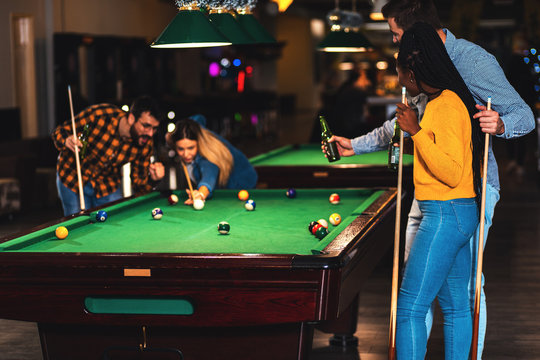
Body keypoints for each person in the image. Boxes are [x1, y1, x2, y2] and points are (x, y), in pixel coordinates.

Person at [324, 0, 536, 358]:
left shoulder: (471, 61)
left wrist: (500, 124)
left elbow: (524, 115)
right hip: (434, 194)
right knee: (424, 288)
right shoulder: (430, 83)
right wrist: (355, 146)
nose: (393, 43)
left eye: (395, 35)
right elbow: (405, 123)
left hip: (470, 186)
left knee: (449, 295)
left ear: (417, 37)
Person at [394, 22, 483, 358]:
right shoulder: (442, 100)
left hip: (445, 212)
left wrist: (416, 132)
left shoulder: (446, 105)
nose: (400, 80)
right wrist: (416, 127)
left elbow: (451, 171)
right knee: (457, 306)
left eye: (401, 72)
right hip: (456, 211)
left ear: (415, 73)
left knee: (410, 308)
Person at [52, 96, 165, 216]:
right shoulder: (100, 115)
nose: (150, 133)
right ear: (131, 118)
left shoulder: (145, 143)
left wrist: (153, 180)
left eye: (154, 129)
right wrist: (66, 140)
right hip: (72, 177)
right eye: (146, 126)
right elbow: (60, 131)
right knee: (76, 223)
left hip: (106, 184)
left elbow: (139, 186)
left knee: (117, 218)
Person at [165, 115, 257, 204]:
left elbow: (209, 177)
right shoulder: (192, 127)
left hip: (242, 180)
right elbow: (200, 117)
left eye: (191, 148)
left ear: (199, 142)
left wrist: (201, 194)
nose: (186, 154)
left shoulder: (207, 156)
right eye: (181, 149)